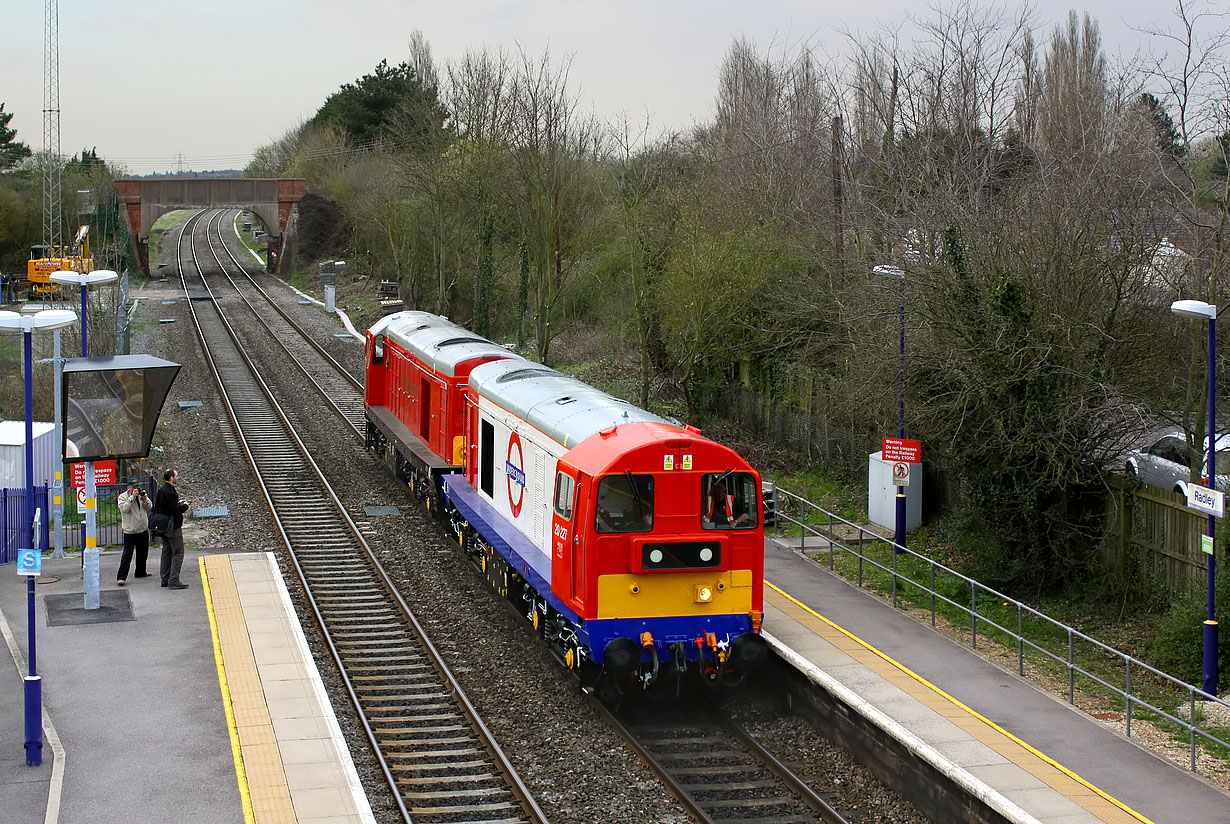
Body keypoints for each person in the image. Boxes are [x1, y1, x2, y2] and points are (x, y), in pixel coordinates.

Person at [154, 468, 190, 590]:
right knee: (178, 552)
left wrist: (177, 503)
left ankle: (165, 578)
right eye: (176, 476)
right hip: (172, 527)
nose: (177, 478)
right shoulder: (171, 492)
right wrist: (184, 507)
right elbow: (174, 510)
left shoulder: (161, 490)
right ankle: (174, 579)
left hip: (163, 526)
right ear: (171, 478)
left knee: (166, 552)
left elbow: (163, 507)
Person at [116, 477, 153, 585]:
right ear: (129, 488)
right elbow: (124, 509)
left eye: (138, 487)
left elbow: (149, 507)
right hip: (130, 531)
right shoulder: (123, 497)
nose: (136, 489)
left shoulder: (141, 496)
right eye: (134, 487)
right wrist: (132, 497)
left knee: (143, 553)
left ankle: (141, 572)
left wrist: (145, 499)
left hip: (142, 528)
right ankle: (121, 577)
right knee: (127, 555)